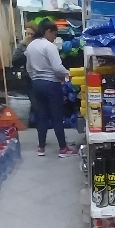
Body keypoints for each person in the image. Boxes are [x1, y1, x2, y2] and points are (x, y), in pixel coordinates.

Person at [24, 19, 77, 158]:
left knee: (41, 116)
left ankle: (41, 148)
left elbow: (28, 68)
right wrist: (67, 74)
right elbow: (57, 67)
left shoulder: (30, 46)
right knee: (57, 116)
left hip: (37, 85)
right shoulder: (49, 46)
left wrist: (36, 78)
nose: (55, 38)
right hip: (51, 85)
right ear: (48, 31)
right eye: (54, 34)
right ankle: (63, 149)